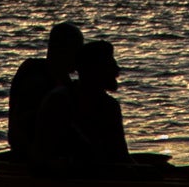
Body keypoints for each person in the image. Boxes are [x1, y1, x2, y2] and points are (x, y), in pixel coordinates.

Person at [33, 37, 128, 173]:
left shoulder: (110, 106)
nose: (116, 69)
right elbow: (41, 158)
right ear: (93, 70)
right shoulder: (60, 101)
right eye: (109, 64)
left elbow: (121, 156)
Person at [8, 22, 86, 158]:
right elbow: (23, 128)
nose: (80, 57)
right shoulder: (36, 79)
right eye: (77, 49)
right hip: (35, 159)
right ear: (62, 49)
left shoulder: (64, 81)